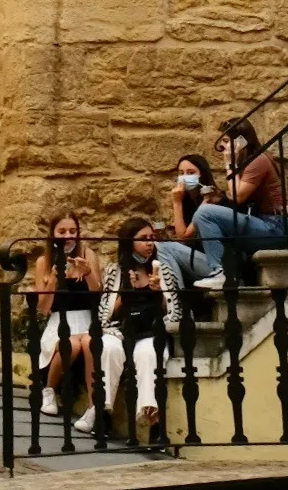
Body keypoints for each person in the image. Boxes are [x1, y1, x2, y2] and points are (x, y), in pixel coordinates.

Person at [100, 217, 181, 447]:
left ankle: (155, 423)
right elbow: (105, 314)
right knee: (108, 348)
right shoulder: (115, 272)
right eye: (143, 239)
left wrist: (158, 293)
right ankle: (103, 414)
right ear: (129, 242)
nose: (150, 243)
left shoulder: (163, 271)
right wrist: (126, 293)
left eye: (152, 238)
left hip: (150, 331)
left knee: (149, 353)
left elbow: (174, 312)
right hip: (121, 331)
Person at [188, 117, 288, 282]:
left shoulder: (258, 160)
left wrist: (229, 163)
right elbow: (235, 196)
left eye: (226, 141)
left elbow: (238, 197)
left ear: (241, 141)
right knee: (206, 216)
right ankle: (227, 272)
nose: (223, 147)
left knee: (205, 213)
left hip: (276, 226)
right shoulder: (248, 162)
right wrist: (221, 197)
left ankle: (221, 272)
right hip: (265, 222)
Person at [29, 211, 102, 431]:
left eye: (72, 231)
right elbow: (43, 308)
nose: (68, 236)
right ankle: (49, 389)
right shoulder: (44, 262)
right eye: (62, 231)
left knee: (87, 342)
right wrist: (53, 279)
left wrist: (88, 273)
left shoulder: (88, 254)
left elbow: (97, 294)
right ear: (53, 234)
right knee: (71, 344)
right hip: (59, 322)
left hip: (86, 320)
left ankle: (93, 409)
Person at [156, 151, 225, 297]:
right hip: (199, 259)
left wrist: (176, 203)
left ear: (202, 175)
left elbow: (184, 236)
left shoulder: (212, 198)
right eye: (181, 173)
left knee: (164, 247)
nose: (184, 177)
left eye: (191, 172)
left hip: (220, 266)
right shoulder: (188, 201)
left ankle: (177, 298)